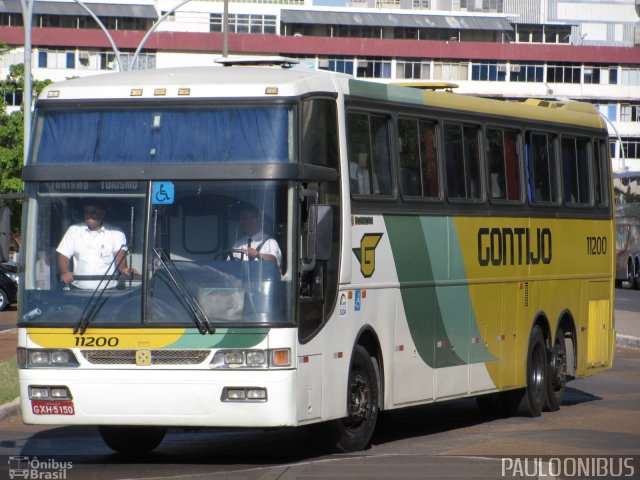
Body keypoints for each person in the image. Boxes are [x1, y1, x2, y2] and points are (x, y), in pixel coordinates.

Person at [57, 203, 136, 289]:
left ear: (102, 213)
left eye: (93, 212)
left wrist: (125, 270)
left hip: (109, 294)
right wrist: (65, 272)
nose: (89, 215)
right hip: (78, 292)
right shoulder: (74, 230)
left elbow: (121, 260)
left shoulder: (116, 233)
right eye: (86, 212)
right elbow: (63, 255)